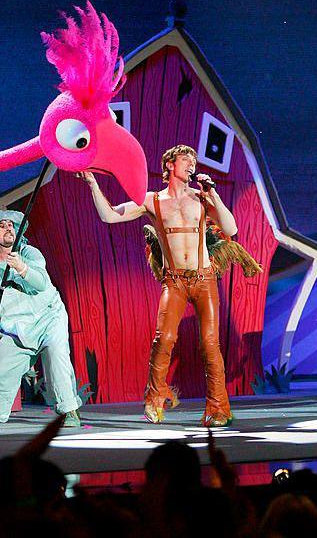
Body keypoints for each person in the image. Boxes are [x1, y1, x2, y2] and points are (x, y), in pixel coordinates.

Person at [78, 144, 239, 426]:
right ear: (169, 165)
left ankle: (218, 409)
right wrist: (92, 183)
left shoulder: (201, 198)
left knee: (210, 344)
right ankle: (154, 399)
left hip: (204, 280)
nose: (191, 164)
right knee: (163, 339)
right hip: (174, 281)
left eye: (194, 160)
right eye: (185, 160)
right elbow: (109, 215)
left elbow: (231, 228)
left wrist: (213, 193)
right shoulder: (151, 200)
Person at [0, 208, 82, 427]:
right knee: (0, 372)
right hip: (16, 330)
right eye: (1, 225)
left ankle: (68, 410)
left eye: (10, 224)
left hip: (48, 319)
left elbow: (41, 283)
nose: (8, 227)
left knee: (57, 357)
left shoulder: (29, 253)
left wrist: (21, 267)